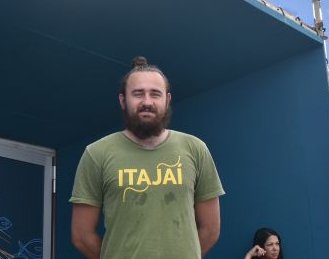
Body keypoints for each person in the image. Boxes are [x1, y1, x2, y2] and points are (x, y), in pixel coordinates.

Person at [70, 56, 225, 259]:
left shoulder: (195, 149)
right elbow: (82, 236)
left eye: (155, 94)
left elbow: (211, 230)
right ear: (123, 100)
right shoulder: (97, 153)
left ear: (167, 100)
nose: (147, 102)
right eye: (138, 94)